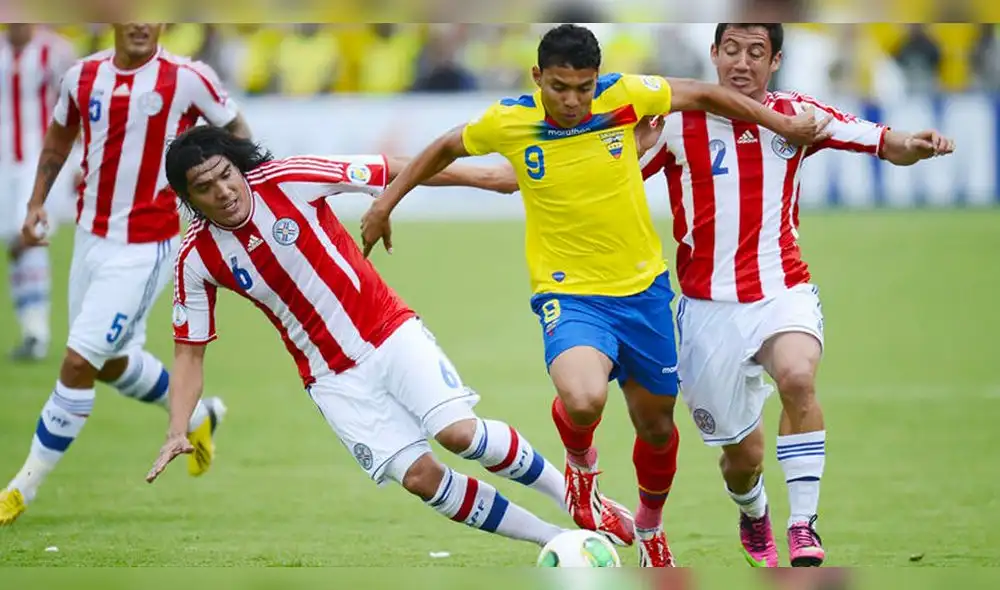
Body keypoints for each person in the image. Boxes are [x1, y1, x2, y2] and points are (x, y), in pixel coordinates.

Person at [360, 23, 832, 567]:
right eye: (560, 87)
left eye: (584, 87)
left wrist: (782, 124)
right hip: (572, 294)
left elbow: (704, 93)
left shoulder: (623, 96)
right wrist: (384, 203)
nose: (573, 100)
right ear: (538, 77)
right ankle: (581, 468)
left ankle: (651, 527)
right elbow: (445, 146)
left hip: (645, 293)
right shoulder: (511, 121)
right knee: (583, 399)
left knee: (657, 429)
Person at [147, 125, 571, 550]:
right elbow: (189, 354)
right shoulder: (196, 257)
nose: (222, 190)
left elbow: (390, 170)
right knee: (421, 479)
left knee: (457, 433)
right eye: (204, 187)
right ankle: (556, 540)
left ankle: (576, 499)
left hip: (387, 331)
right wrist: (176, 429)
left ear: (238, 166)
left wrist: (486, 178)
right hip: (330, 377)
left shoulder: (288, 178)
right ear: (189, 199)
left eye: (226, 174)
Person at [639, 23, 955, 567]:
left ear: (776, 60)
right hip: (707, 308)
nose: (742, 63)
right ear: (713, 54)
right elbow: (613, 183)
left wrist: (914, 144)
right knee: (742, 457)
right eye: (732, 50)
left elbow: (878, 139)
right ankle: (752, 508)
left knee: (798, 376)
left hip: (782, 289)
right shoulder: (674, 122)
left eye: (756, 52)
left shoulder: (797, 116)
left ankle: (803, 524)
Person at [0, 23, 253, 525]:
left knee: (77, 363)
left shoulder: (188, 77)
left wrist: (224, 196)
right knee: (110, 362)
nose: (140, 22)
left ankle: (19, 490)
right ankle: (201, 417)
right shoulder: (82, 76)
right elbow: (58, 139)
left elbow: (239, 134)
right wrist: (34, 203)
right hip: (91, 240)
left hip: (145, 247)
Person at [0, 24, 76, 361]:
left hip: (39, 160)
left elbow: (76, 105)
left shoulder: (56, 52)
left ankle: (36, 332)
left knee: (28, 238)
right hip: (3, 164)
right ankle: (31, 327)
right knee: (15, 246)